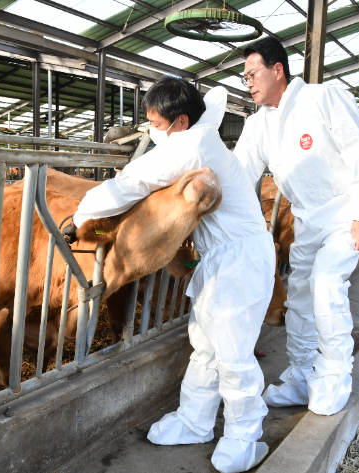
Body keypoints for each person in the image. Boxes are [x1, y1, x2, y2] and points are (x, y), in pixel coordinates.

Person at [65, 77, 275, 473]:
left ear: (179, 122)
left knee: (232, 354)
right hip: (222, 258)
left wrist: (82, 214)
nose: (152, 131)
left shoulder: (191, 146)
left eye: (156, 123)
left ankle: (246, 436)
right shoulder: (199, 134)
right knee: (207, 345)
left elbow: (132, 181)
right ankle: (196, 421)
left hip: (240, 261)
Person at [234, 37, 359, 416]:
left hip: (346, 211)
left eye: (253, 74)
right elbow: (238, 175)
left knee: (327, 285)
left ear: (277, 70)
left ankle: (334, 377)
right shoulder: (256, 126)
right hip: (308, 217)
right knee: (298, 294)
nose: (248, 82)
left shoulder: (323, 98)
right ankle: (300, 376)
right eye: (244, 76)